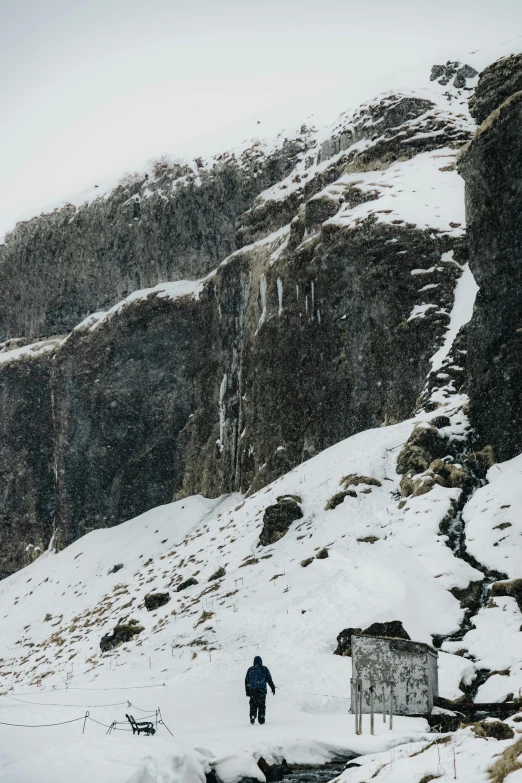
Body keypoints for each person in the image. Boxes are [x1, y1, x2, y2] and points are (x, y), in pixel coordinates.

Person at [245, 655, 276, 724]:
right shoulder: (264, 669)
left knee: (253, 704)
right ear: (261, 661)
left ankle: (253, 716)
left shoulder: (250, 669)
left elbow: (247, 681)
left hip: (253, 690)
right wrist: (272, 687)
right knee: (261, 704)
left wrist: (247, 691)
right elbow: (269, 679)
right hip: (262, 690)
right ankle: (261, 718)